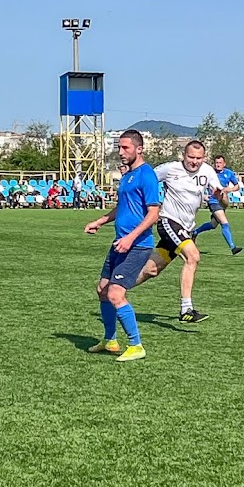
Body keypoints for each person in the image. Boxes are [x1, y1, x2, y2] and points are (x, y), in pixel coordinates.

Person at [84, 129, 160, 362]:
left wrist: (130, 238)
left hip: (137, 245)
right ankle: (110, 340)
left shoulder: (147, 175)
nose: (121, 152)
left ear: (139, 149)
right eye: (119, 147)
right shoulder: (127, 176)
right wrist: (101, 220)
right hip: (120, 243)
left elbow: (153, 214)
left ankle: (136, 345)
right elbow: (123, 208)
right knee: (103, 290)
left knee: (116, 294)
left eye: (125, 147)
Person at [134, 140, 225, 323]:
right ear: (183, 155)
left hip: (187, 228)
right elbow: (145, 181)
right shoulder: (170, 169)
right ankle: (186, 309)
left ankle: (115, 288)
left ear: (204, 158)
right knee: (193, 256)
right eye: (191, 157)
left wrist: (221, 197)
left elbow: (223, 202)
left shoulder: (208, 172)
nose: (194, 162)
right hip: (169, 222)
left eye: (199, 158)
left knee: (151, 270)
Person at [192, 155, 243, 255]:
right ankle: (233, 247)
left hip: (223, 202)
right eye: (216, 163)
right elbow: (197, 185)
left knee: (213, 224)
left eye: (220, 163)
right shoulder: (210, 173)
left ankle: (195, 232)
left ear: (224, 164)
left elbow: (237, 186)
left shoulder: (229, 173)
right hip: (213, 201)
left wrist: (230, 189)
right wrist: (204, 196)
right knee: (224, 223)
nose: (218, 165)